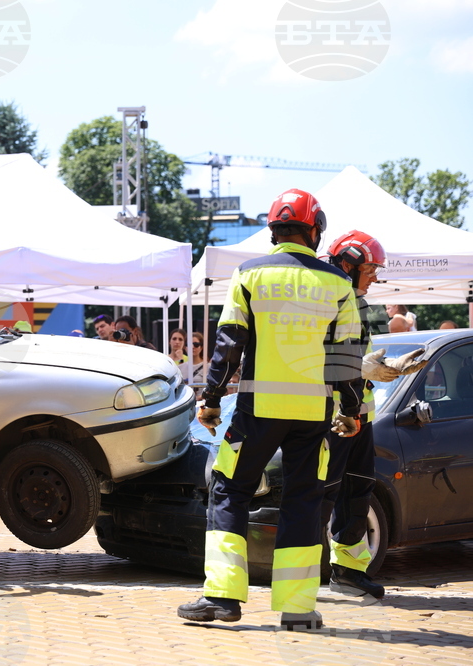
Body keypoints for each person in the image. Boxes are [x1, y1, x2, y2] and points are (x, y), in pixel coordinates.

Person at [177, 188, 366, 631]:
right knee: (303, 501)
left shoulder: (249, 274)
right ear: (314, 230)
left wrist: (210, 399)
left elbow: (228, 342)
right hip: (312, 416)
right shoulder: (338, 284)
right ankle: (298, 608)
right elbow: (347, 360)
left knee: (229, 491)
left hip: (256, 411)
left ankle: (222, 597)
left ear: (274, 230)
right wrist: (351, 410)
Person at [322, 231, 427, 600]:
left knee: (357, 492)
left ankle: (349, 571)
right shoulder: (326, 301)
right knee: (321, 496)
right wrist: (364, 368)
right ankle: (299, 580)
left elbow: (358, 358)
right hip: (331, 417)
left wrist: (388, 366)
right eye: (370, 268)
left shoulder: (359, 305)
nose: (375, 276)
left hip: (359, 417)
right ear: (347, 264)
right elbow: (317, 358)